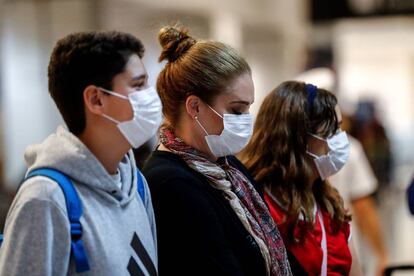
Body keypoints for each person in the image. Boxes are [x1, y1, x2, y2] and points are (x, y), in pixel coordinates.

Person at [0, 31, 161, 275]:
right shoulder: (45, 199)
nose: (150, 95)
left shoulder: (136, 184)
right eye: (138, 85)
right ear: (96, 99)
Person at [142, 25, 291, 276]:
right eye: (236, 110)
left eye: (248, 109)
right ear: (195, 106)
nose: (245, 119)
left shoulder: (228, 166)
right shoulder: (170, 182)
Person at [240, 81, 358, 276]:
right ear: (298, 137)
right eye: (330, 131)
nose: (340, 141)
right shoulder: (258, 204)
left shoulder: (330, 204)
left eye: (340, 129)